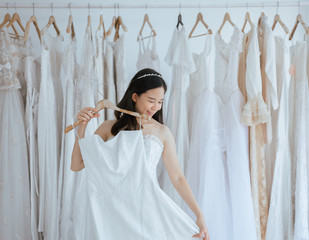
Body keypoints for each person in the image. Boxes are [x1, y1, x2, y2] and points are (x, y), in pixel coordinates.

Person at [71, 68, 209, 240]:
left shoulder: (162, 132)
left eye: (160, 102)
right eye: (151, 100)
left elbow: (178, 178)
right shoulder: (109, 127)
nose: (156, 107)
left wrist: (199, 214)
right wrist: (82, 126)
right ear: (134, 96)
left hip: (146, 208)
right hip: (112, 211)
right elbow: (76, 165)